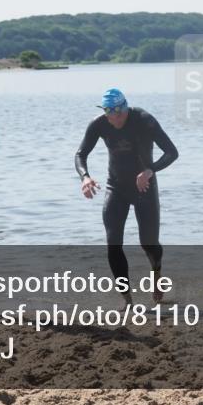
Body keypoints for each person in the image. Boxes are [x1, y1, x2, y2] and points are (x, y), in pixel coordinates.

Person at [75, 88, 178, 303]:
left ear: (125, 109)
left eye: (118, 115)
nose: (114, 120)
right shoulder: (99, 123)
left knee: (148, 243)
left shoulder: (144, 119)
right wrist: (85, 177)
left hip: (144, 187)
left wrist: (150, 171)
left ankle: (156, 272)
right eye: (109, 116)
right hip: (116, 187)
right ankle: (127, 299)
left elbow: (171, 151)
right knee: (113, 244)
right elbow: (80, 154)